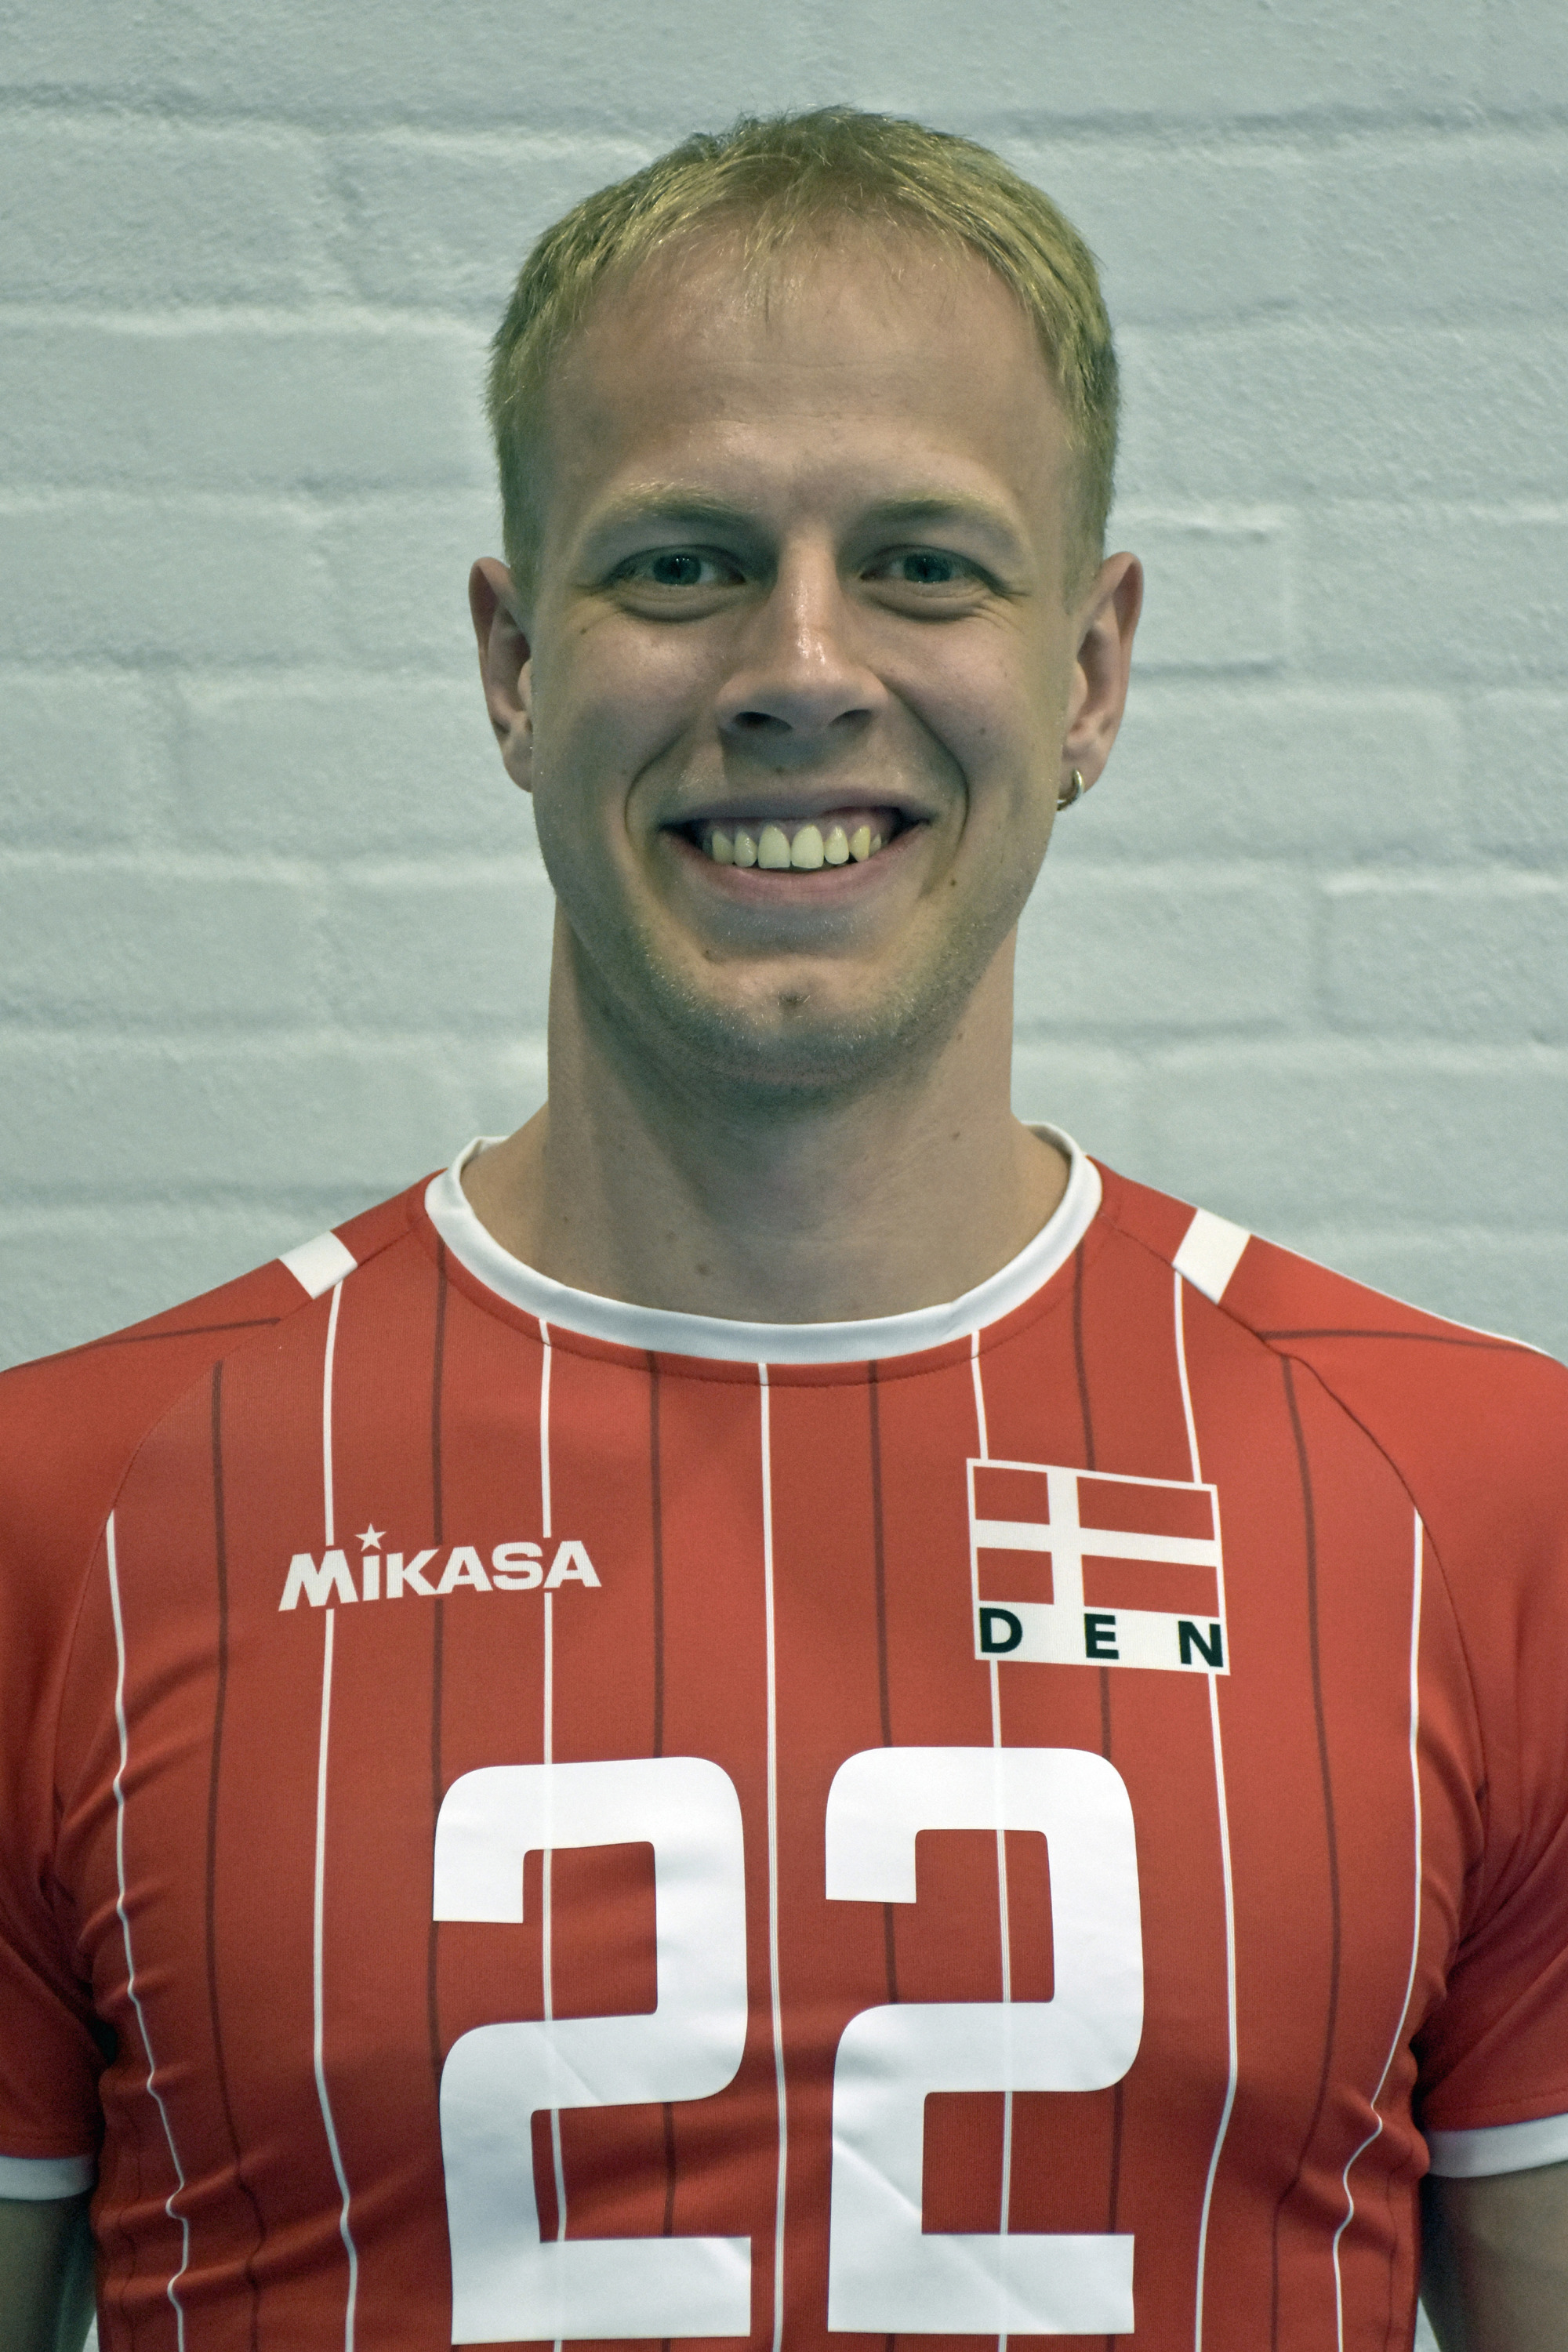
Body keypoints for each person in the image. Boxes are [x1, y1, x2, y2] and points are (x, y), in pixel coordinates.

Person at [0, 107, 1564, 2352]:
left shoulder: (1487, 1511)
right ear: (512, 663)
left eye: (924, 565)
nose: (802, 662)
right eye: (681, 564)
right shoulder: (67, 1521)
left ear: (1092, 669)